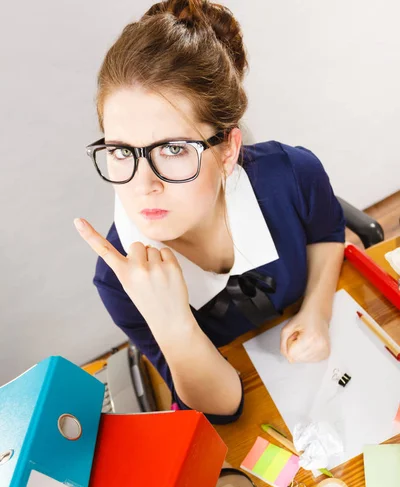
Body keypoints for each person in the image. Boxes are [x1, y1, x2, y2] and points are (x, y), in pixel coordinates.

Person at [74, 0, 345, 424]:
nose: (143, 184)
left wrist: (317, 310)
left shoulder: (292, 173)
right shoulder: (120, 278)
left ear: (227, 151)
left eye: (174, 148)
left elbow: (328, 233)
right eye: (121, 152)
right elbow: (225, 409)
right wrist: (172, 321)